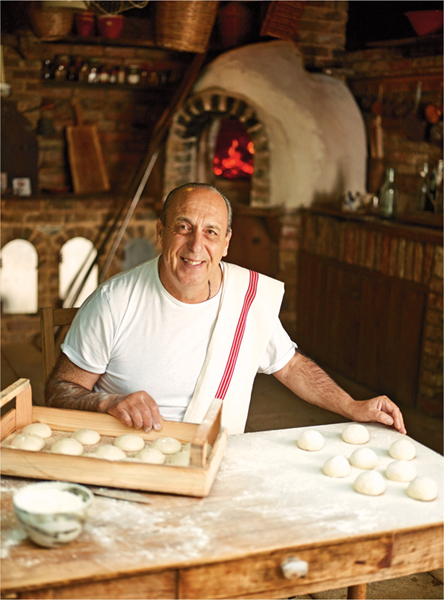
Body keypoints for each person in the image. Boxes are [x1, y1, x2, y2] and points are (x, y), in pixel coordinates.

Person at [46, 183, 406, 436]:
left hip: (215, 456)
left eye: (211, 233)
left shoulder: (245, 297)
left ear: (227, 243)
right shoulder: (114, 301)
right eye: (183, 227)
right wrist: (107, 402)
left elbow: (292, 366)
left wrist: (352, 406)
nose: (196, 246)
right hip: (130, 452)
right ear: (161, 232)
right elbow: (60, 390)